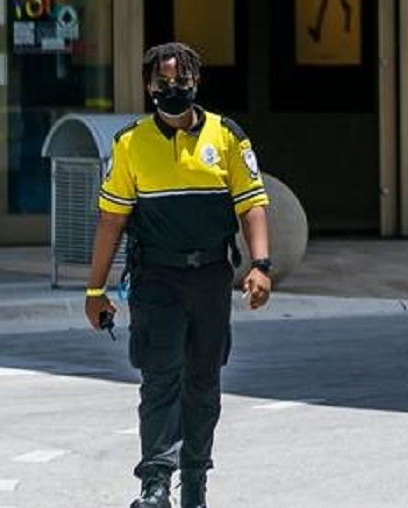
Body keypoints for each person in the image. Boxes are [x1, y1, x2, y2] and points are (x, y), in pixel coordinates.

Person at [84, 42, 275, 508]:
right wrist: (95, 289)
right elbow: (111, 219)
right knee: (159, 379)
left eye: (181, 81)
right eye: (163, 82)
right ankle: (154, 483)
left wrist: (261, 265)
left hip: (210, 276)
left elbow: (251, 203)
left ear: (196, 83)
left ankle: (195, 481)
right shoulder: (129, 144)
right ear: (149, 86)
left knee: (203, 383)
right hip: (156, 280)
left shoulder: (226, 137)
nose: (172, 89)